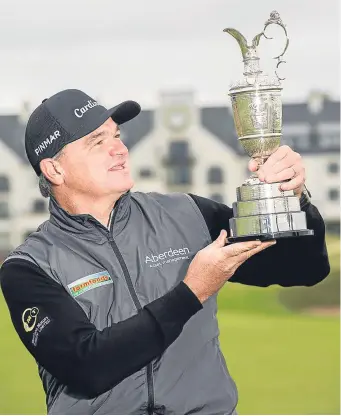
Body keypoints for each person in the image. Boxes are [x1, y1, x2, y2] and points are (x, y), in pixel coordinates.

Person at [0, 89, 329, 415]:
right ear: (54, 170)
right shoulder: (29, 267)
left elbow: (302, 267)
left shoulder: (186, 214)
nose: (120, 149)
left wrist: (293, 198)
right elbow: (87, 367)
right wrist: (193, 292)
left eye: (117, 136)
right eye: (97, 142)